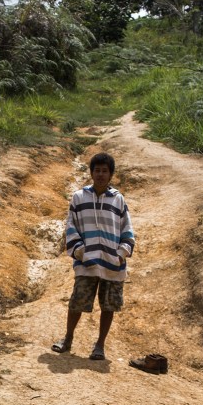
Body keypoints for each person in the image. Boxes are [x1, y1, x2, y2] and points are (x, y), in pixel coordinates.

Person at [53, 152, 135, 362]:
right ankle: (68, 338)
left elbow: (127, 228)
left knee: (108, 305)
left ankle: (100, 345)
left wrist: (121, 254)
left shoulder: (118, 199)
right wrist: (79, 250)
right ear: (91, 173)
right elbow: (71, 225)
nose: (100, 174)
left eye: (104, 171)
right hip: (86, 261)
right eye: (96, 170)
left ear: (111, 175)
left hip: (112, 263)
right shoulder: (79, 197)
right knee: (77, 300)